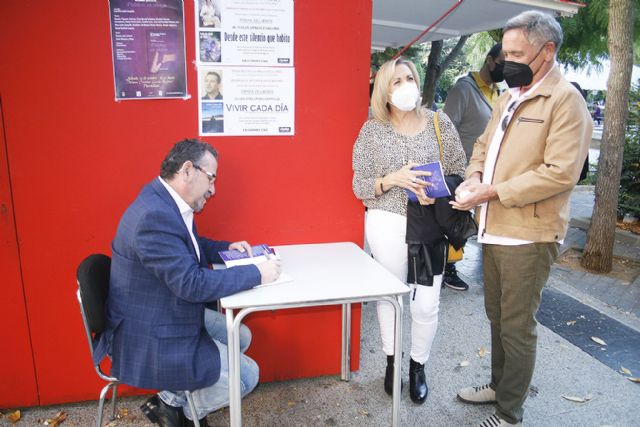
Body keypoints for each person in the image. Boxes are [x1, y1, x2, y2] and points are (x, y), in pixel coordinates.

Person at [450, 11, 591, 427]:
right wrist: (474, 177)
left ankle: (510, 412)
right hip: (493, 227)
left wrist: (491, 191)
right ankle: (500, 385)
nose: (504, 61)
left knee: (516, 325)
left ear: (546, 51)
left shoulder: (566, 100)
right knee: (497, 318)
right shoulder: (510, 96)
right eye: (504, 52)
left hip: (529, 234)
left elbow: (560, 173)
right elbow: (482, 144)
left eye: (516, 53)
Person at [95, 139, 281, 427]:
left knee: (241, 335)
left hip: (161, 309)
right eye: (211, 177)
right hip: (147, 331)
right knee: (247, 376)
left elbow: (188, 246)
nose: (213, 189)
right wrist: (258, 274)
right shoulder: (154, 216)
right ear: (187, 170)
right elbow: (191, 284)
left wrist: (226, 248)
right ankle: (178, 410)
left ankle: (172, 400)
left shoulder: (164, 200)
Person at [352, 57, 466, 404]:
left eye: (409, 78)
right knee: (390, 295)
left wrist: (436, 192)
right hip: (385, 222)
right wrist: (390, 180)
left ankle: (418, 365)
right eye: (396, 81)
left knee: (426, 303)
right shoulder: (371, 130)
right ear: (384, 91)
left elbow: (459, 171)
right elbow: (359, 184)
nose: (405, 86)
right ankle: (392, 361)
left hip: (429, 225)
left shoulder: (438, 123)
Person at [442, 43, 505, 291]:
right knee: (457, 222)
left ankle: (456, 265)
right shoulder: (464, 90)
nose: (507, 68)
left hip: (488, 174)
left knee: (475, 222)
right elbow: (446, 129)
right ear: (490, 60)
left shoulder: (500, 94)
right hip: (460, 172)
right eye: (503, 61)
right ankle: (448, 268)